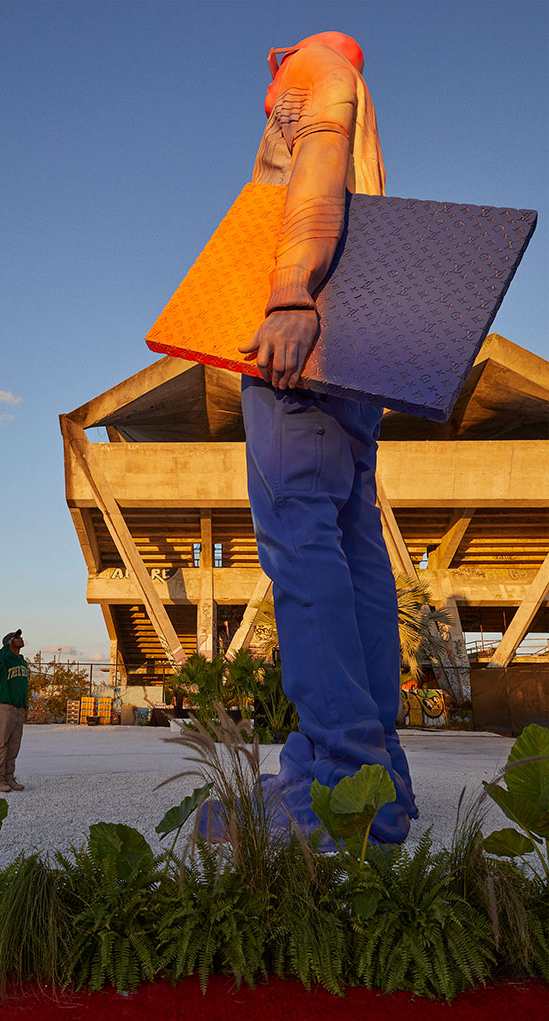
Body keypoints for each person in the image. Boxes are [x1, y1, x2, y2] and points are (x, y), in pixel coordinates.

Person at [200, 32, 417, 845]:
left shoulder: (309, 73)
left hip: (304, 340)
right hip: (355, 351)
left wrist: (290, 292)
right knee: (352, 545)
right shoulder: (360, 96)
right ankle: (374, 779)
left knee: (300, 539)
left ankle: (335, 778)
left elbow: (315, 169)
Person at [0, 628, 28, 792]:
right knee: (1, 743)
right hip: (5, 707)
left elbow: (23, 685)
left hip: (19, 708)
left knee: (14, 745)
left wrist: (25, 705)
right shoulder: (4, 660)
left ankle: (9, 777)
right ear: (10, 642)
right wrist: (6, 647)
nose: (21, 638)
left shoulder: (22, 662)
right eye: (16, 637)